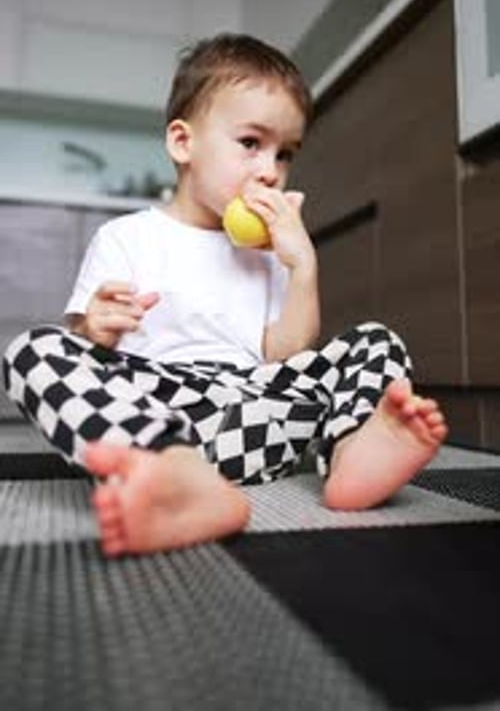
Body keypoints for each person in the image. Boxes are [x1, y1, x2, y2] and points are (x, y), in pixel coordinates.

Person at [2, 34, 448, 557]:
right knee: (33, 349)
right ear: (182, 143)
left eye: (285, 154)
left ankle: (354, 451)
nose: (269, 171)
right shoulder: (126, 237)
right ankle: (175, 475)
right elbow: (87, 344)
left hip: (262, 415)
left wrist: (302, 266)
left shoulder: (268, 253)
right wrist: (94, 327)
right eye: (251, 143)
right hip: (163, 413)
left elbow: (287, 354)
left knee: (375, 340)